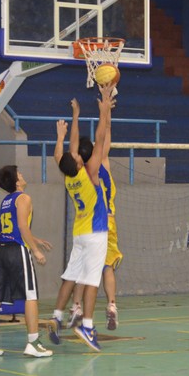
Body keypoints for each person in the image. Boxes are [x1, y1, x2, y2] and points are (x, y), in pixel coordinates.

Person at [47, 84, 114, 352]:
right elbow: (99, 139)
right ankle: (87, 326)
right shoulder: (90, 173)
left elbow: (61, 153)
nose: (76, 153)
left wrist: (71, 123)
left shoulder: (68, 175)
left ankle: (56, 316)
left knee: (70, 277)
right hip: (96, 232)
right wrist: (104, 111)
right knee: (89, 281)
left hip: (79, 233)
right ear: (77, 162)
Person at [0, 165, 53, 358]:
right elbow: (21, 226)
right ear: (16, 181)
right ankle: (33, 342)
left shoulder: (6, 201)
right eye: (20, 173)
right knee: (31, 295)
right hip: (16, 251)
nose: (22, 175)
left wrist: (35, 239)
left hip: (0, 250)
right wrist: (35, 250)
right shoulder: (23, 198)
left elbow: (14, 229)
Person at [66, 101, 122, 331]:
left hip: (87, 224)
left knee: (81, 268)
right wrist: (106, 107)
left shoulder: (80, 174)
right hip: (108, 222)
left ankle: (76, 307)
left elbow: (70, 151)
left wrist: (75, 117)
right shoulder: (103, 165)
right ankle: (111, 305)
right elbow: (105, 133)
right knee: (107, 267)